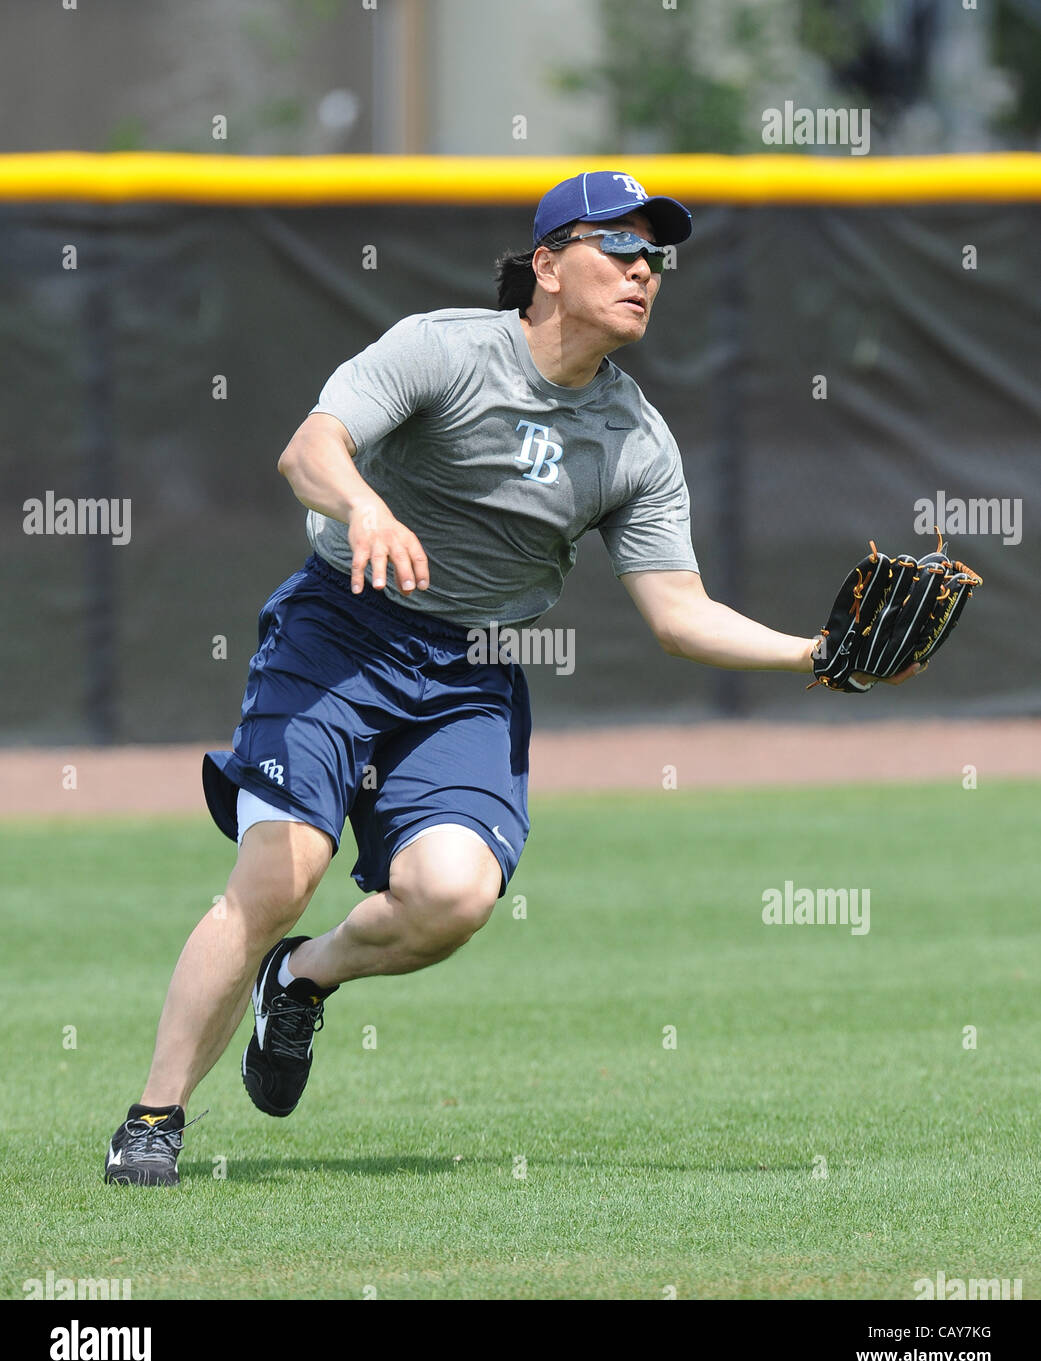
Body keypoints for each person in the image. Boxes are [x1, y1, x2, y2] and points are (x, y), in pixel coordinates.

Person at [103, 170, 921, 1186]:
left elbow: (677, 613)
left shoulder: (634, 439)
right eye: (616, 248)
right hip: (339, 630)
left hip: (470, 668)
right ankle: (154, 1115)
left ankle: (303, 978)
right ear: (546, 265)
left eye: (653, 256)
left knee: (453, 895)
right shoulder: (444, 350)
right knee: (283, 871)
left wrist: (812, 652)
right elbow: (309, 448)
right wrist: (363, 507)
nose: (642, 271)